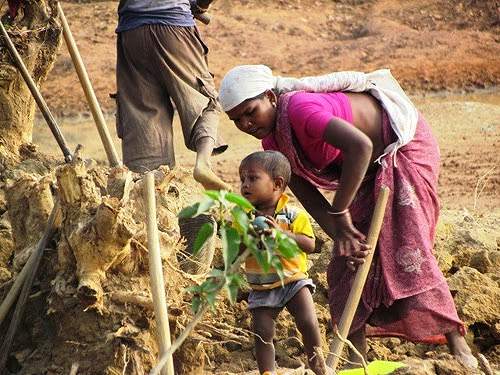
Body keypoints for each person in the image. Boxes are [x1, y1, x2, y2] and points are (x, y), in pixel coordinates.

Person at [220, 65, 478, 369]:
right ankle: (356, 359)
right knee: (346, 265)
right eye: (236, 120)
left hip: (401, 149)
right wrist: (342, 236)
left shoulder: (301, 109)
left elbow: (361, 145)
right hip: (365, 173)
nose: (246, 123)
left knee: (409, 249)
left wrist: (340, 210)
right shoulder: (272, 145)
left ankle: (459, 347)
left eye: (251, 112)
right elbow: (310, 198)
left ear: (270, 97)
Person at [115, 0, 230, 190]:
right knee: (201, 98)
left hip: (132, 32)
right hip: (174, 26)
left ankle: (151, 189)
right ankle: (203, 163)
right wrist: (199, 7)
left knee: (143, 115)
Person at [239, 150, 327, 375]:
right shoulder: (244, 218)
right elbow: (235, 254)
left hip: (294, 281)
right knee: (262, 331)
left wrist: (282, 234)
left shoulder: (293, 215)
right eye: (242, 179)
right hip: (262, 286)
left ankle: (318, 365)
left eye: (252, 178)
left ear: (277, 184)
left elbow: (309, 244)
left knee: (308, 322)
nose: (244, 184)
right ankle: (267, 371)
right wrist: (246, 237)